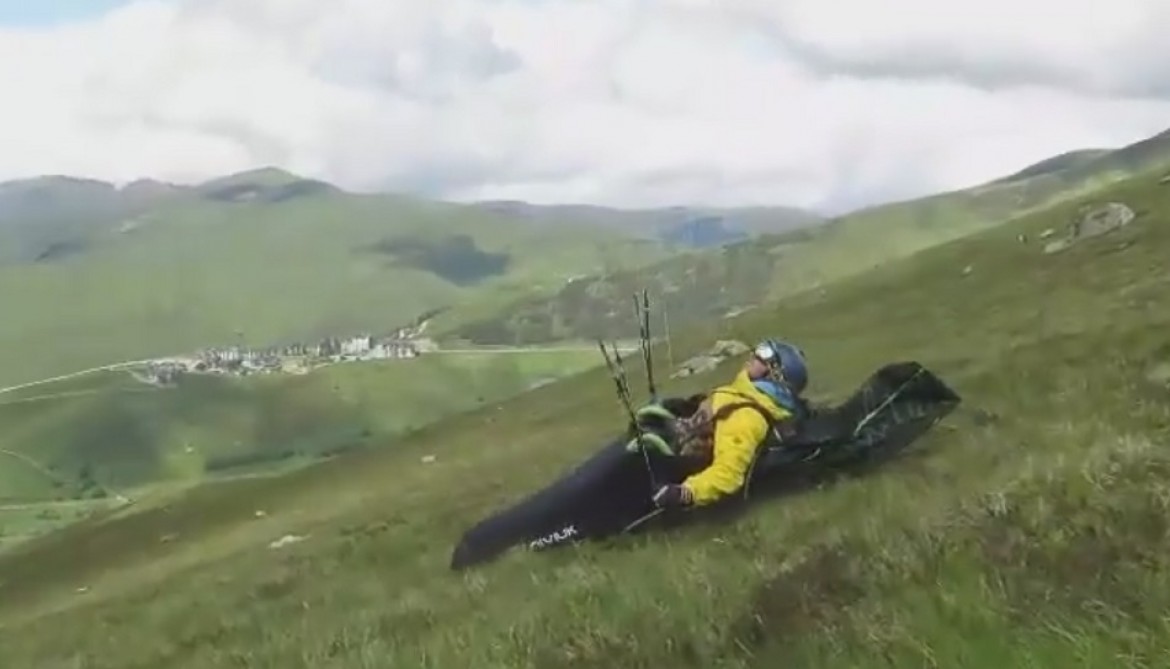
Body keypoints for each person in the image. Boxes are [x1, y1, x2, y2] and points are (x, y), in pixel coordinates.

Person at [650, 338, 809, 508]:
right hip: (672, 441)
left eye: (762, 356)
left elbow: (729, 473)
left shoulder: (747, 417)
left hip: (672, 462)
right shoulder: (745, 394)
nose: (753, 356)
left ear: (775, 375)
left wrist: (687, 492)